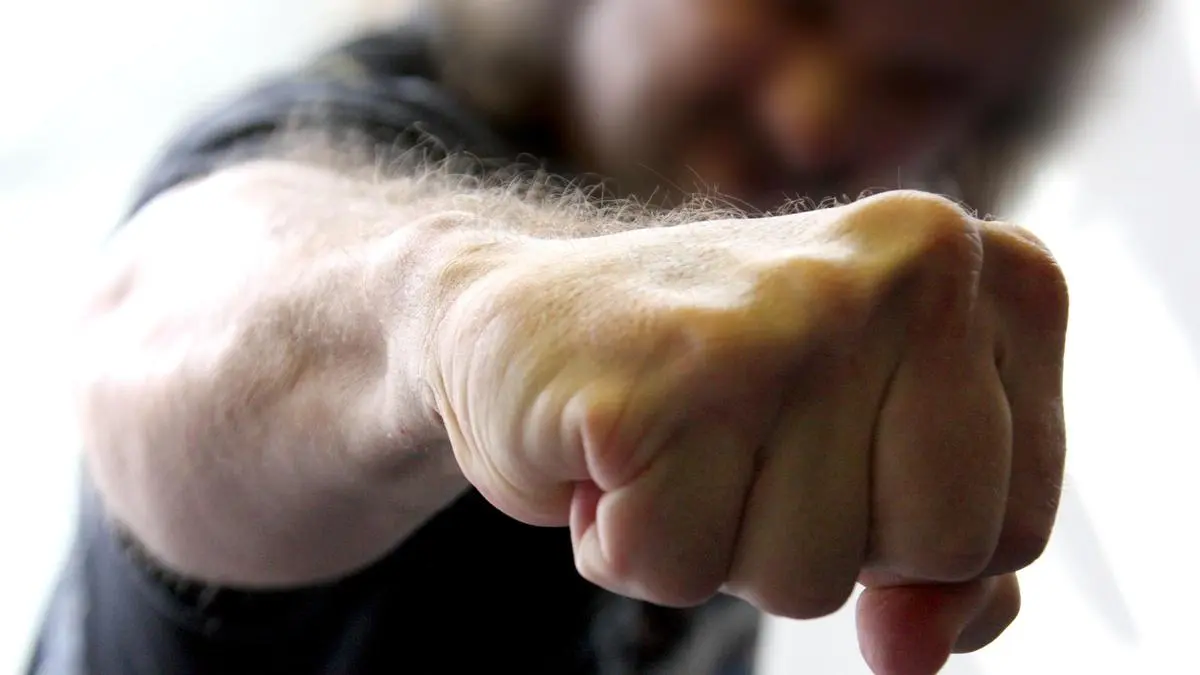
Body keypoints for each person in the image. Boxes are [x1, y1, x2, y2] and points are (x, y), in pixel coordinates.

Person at [27, 1, 1133, 674]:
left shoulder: (796, 350)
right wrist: (459, 307)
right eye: (793, 6)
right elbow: (159, 316)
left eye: (922, 81)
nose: (816, 116)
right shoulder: (371, 128)